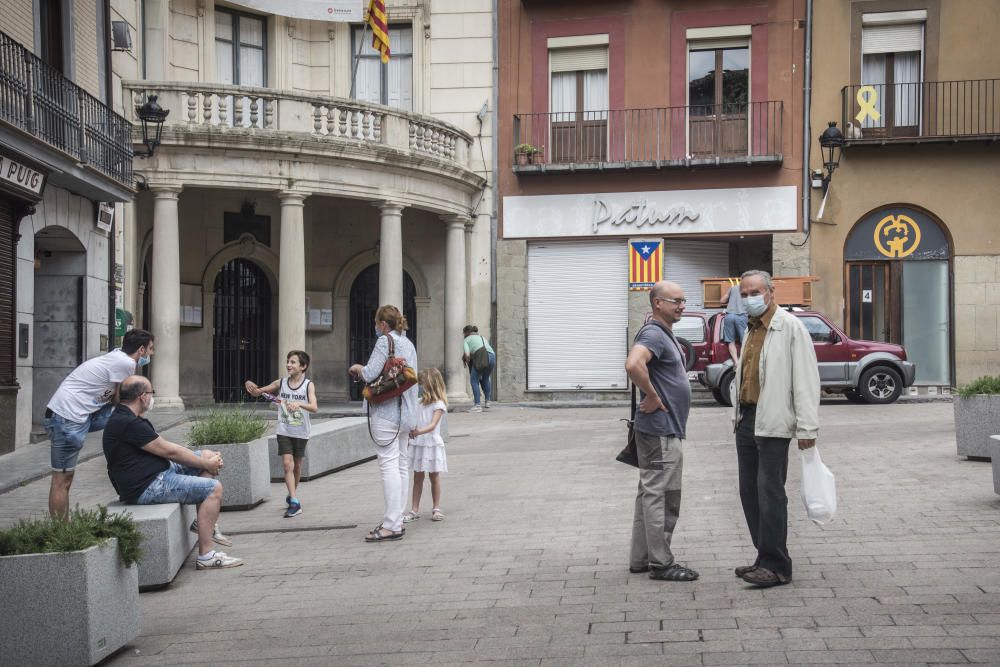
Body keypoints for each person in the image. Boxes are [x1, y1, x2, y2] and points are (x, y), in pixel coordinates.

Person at [733, 270, 820, 588]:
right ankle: (763, 556)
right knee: (749, 491)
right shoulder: (751, 328)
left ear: (771, 293)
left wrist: (808, 427)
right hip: (747, 418)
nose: (748, 298)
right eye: (743, 294)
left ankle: (777, 565)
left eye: (754, 292)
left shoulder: (790, 327)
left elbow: (807, 379)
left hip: (774, 421)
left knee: (770, 492)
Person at [103, 375, 244, 570]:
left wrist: (206, 460)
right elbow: (169, 451)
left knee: (207, 454)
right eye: (152, 393)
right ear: (142, 397)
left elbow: (167, 448)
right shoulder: (129, 423)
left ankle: (202, 523)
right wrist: (207, 465)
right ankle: (206, 556)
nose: (152, 397)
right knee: (214, 489)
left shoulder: (127, 417)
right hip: (148, 486)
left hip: (158, 470)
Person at [624, 280, 699, 582]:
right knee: (663, 496)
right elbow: (633, 365)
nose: (682, 305)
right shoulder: (654, 333)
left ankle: (641, 559)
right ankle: (662, 563)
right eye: (676, 301)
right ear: (658, 303)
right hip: (660, 431)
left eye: (683, 300)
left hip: (662, 429)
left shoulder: (662, 333)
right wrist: (653, 396)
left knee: (649, 493)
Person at [45, 329, 155, 519]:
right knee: (62, 479)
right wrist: (145, 403)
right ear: (142, 349)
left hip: (80, 416)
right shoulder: (126, 363)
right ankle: (60, 533)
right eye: (151, 349)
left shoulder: (118, 357)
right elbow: (124, 400)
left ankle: (63, 528)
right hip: (67, 417)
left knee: (122, 418)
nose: (152, 354)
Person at [349, 305, 419, 542]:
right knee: (400, 465)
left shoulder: (384, 341)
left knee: (388, 466)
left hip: (387, 413)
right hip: (406, 414)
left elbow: (370, 373)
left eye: (376, 322)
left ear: (382, 324)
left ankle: (391, 524)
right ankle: (397, 519)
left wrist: (357, 368)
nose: (375, 327)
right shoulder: (408, 343)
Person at [245, 350, 318, 518]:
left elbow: (314, 407)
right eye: (288, 361)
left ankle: (292, 493)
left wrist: (299, 404)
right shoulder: (281, 382)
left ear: (303, 366)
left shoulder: (308, 385)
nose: (288, 365)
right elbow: (257, 392)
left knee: (297, 466)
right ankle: (294, 501)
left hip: (301, 431)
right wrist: (250, 384)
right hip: (284, 430)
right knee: (287, 464)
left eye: (293, 362)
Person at [404, 368, 448, 523]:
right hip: (419, 443)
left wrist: (417, 432)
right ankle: (414, 509)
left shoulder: (439, 404)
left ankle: (436, 508)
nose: (421, 387)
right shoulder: (419, 403)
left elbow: (433, 425)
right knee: (417, 478)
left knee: (434, 476)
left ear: (430, 385)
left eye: (423, 384)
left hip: (431, 443)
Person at [462, 325, 496, 413]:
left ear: (466, 333)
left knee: (474, 380)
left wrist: (466, 361)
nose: (463, 335)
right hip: (492, 356)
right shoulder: (482, 337)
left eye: (463, 333)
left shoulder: (467, 339)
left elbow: (467, 354)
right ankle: (487, 401)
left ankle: (477, 405)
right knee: (485, 378)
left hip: (482, 357)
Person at [721, 283, 748, 363]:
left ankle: (736, 362)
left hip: (729, 315)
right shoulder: (749, 288)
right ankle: (743, 361)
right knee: (744, 341)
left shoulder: (733, 288)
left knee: (730, 341)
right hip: (741, 316)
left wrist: (731, 300)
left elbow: (722, 301)